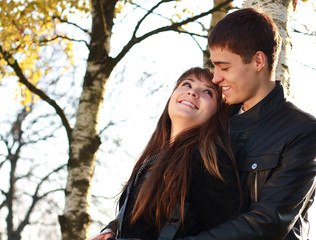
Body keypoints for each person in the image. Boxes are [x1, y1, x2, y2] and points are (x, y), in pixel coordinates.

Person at [179, 8, 316, 240]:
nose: (215, 78)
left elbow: (267, 223)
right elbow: (166, 175)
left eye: (224, 67)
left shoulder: (302, 132)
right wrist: (117, 227)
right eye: (214, 67)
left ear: (258, 61)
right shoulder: (213, 117)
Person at [91, 67, 242, 240]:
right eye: (187, 84)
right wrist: (110, 230)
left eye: (208, 92)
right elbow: (140, 223)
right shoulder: (152, 159)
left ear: (217, 113)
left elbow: (233, 231)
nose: (193, 92)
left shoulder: (208, 161)